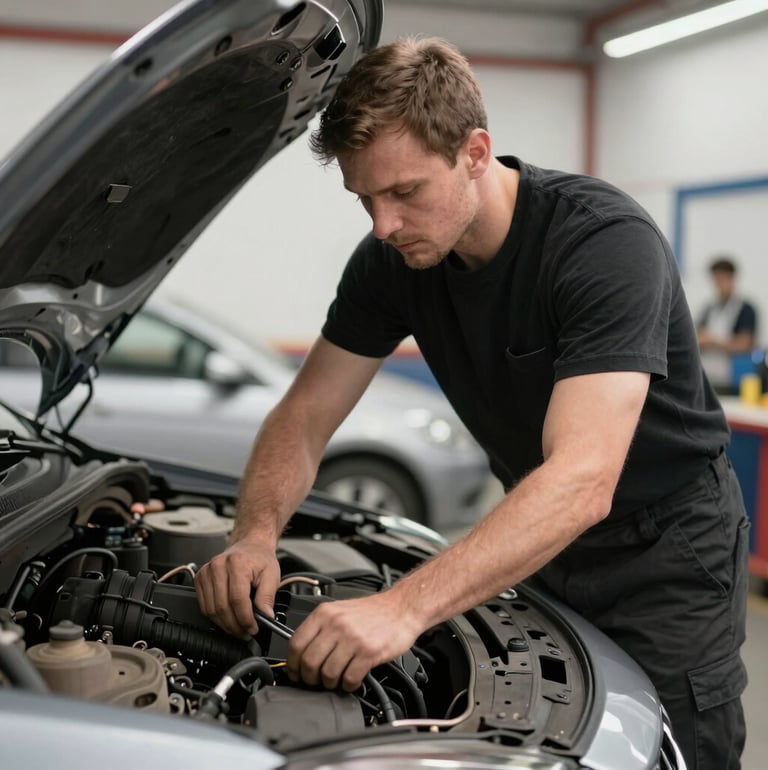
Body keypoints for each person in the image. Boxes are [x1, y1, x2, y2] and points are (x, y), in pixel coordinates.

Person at [194, 37, 748, 769]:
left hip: (665, 551)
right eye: (364, 199)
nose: (383, 225)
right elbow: (303, 415)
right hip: (542, 536)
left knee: (671, 746)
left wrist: (402, 608)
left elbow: (584, 478)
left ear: (475, 153)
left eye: (405, 192)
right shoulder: (392, 263)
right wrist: (255, 535)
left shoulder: (602, 244)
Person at [697, 256, 758, 394]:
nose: (719, 284)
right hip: (707, 377)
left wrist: (712, 341)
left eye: (722, 279)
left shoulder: (746, 309)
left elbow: (744, 345)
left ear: (732, 278)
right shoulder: (708, 309)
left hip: (733, 381)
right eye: (716, 279)